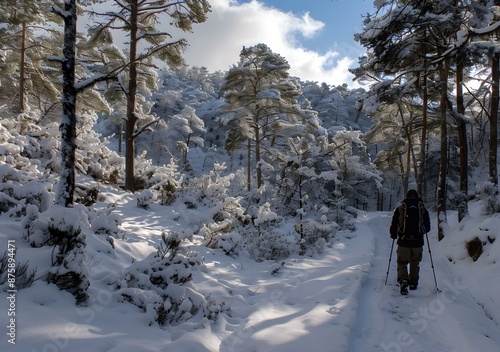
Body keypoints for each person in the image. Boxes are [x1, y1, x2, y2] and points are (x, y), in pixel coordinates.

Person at [389, 189, 430, 295]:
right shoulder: (422, 209)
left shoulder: (400, 208)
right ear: (417, 196)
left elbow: (394, 224)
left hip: (403, 241)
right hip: (417, 242)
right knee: (415, 262)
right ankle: (413, 283)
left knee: (402, 262)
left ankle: (403, 281)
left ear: (407, 196)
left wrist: (393, 234)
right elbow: (428, 227)